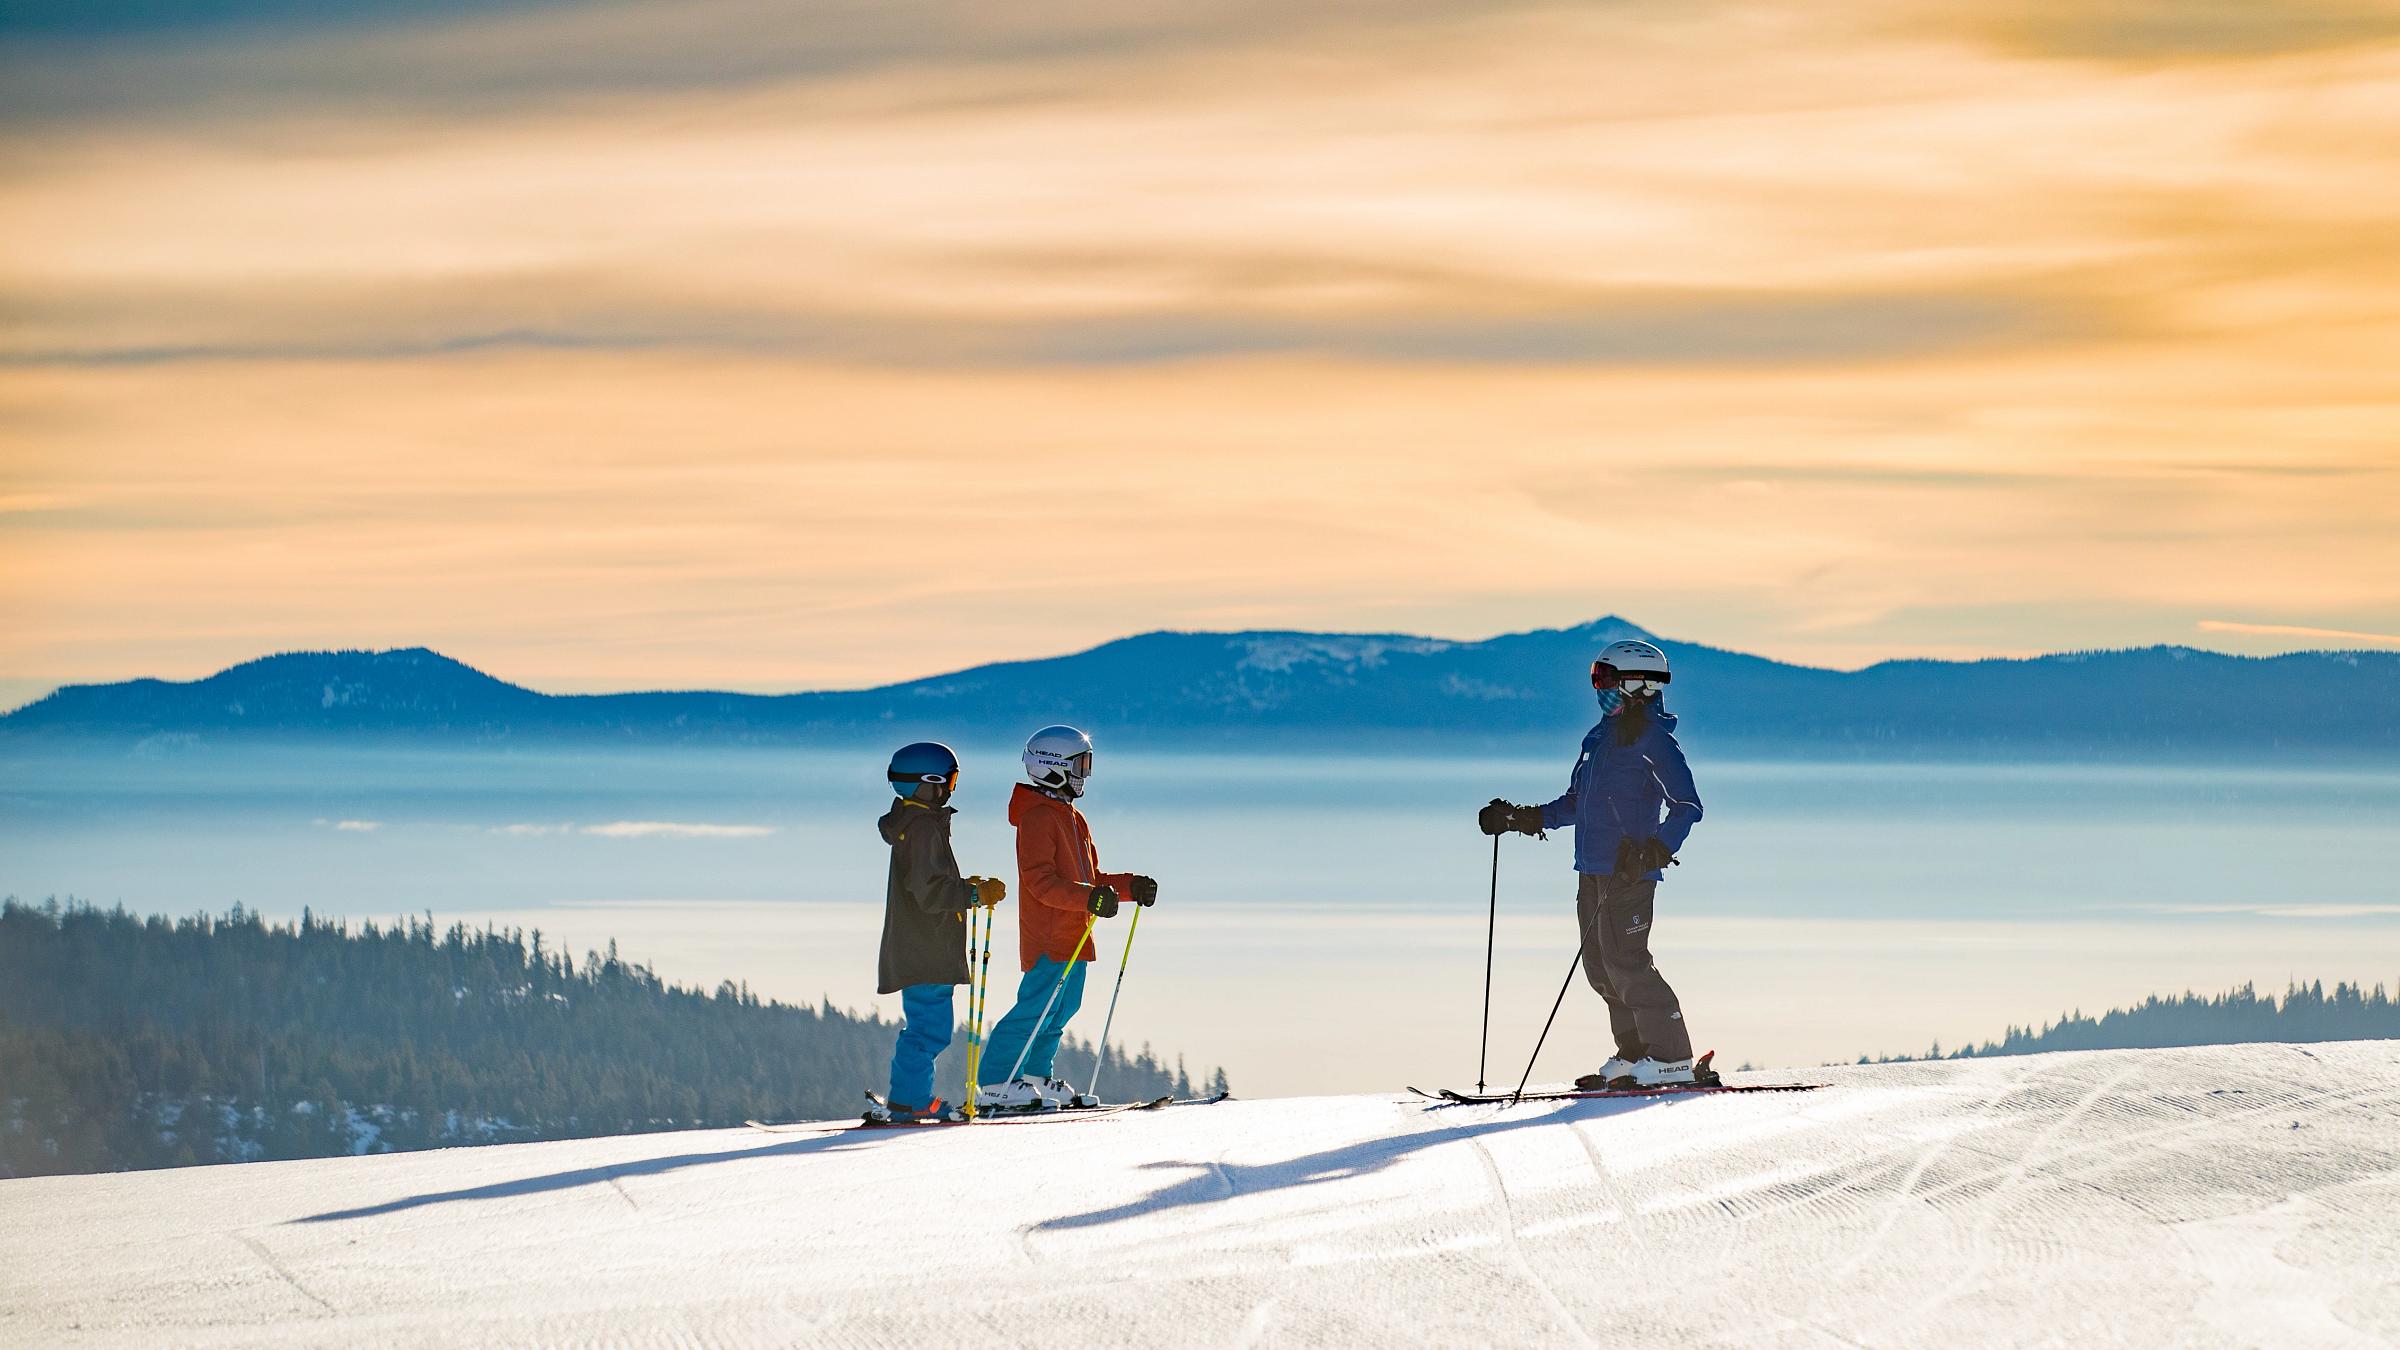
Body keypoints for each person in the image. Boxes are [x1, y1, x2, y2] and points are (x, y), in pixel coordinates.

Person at [1479, 639, 1708, 1088]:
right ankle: (1635, 1054)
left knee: (1628, 963)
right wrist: (1524, 818)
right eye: (1597, 680)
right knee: (1601, 967)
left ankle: (1672, 1058)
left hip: (1630, 872)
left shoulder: (1654, 741)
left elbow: (1687, 805)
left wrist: (1655, 850)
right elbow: (1577, 803)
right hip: (1592, 868)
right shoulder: (1600, 737)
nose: (1598, 689)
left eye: (1605, 680)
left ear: (1636, 685)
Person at [976, 724, 1159, 1111]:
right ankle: (995, 1082)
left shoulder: (1072, 817)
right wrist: (1089, 898)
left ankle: (1034, 1076)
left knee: (1060, 1009)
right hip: (1049, 934)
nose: (1085, 773)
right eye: (1080, 764)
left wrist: (1129, 887)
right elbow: (1040, 882)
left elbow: (1091, 879)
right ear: (1052, 766)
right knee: (1035, 1008)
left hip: (1076, 933)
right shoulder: (1038, 819)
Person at [872, 740, 1007, 1124]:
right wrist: (973, 893)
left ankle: (908, 1097)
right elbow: (930, 893)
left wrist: (967, 887)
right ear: (927, 783)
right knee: (930, 1030)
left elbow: (928, 882)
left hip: (922, 945)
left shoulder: (917, 825)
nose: (952, 787)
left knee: (927, 1027)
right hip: (925, 947)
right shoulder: (921, 829)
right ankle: (910, 1100)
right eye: (950, 780)